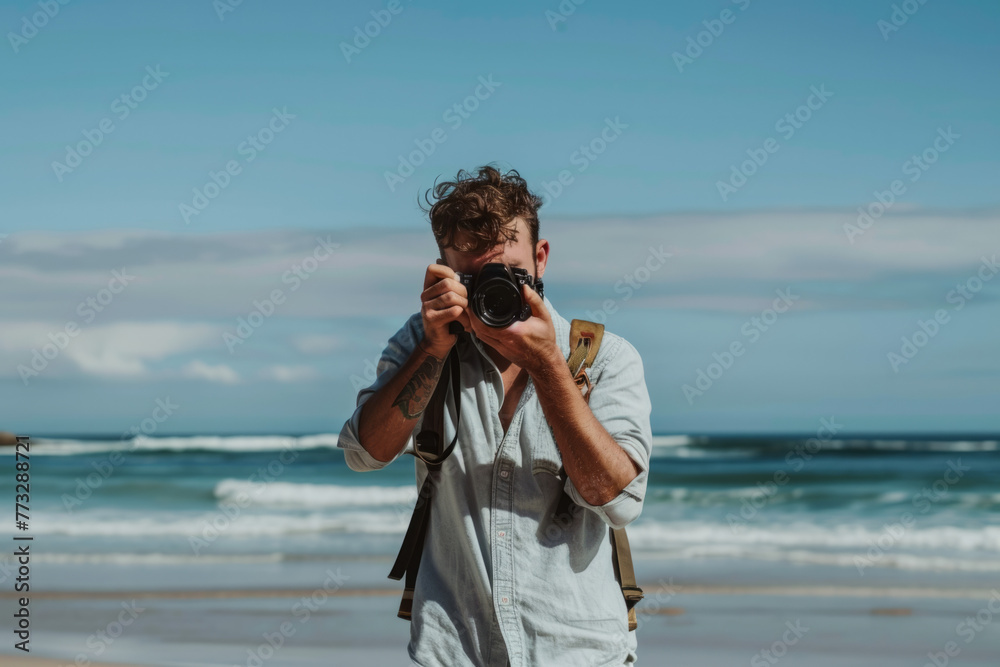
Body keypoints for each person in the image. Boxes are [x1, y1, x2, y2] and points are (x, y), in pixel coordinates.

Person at [337, 165, 653, 666]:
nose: (493, 292)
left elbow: (618, 501)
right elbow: (363, 454)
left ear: (541, 258)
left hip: (580, 654)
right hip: (453, 652)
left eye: (506, 274)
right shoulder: (420, 343)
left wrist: (548, 365)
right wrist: (432, 350)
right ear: (441, 271)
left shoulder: (603, 358)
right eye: (473, 278)